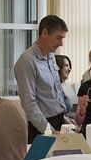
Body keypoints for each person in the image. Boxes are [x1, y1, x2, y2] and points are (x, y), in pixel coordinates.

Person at [14, 15, 69, 143]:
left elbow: (56, 93)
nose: (61, 43)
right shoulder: (27, 61)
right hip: (40, 127)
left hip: (58, 121)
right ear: (44, 33)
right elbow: (29, 104)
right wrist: (49, 130)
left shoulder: (51, 56)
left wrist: (64, 119)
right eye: (58, 38)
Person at [55, 54, 77, 118]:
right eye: (66, 66)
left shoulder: (60, 87)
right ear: (58, 67)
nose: (69, 69)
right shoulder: (54, 89)